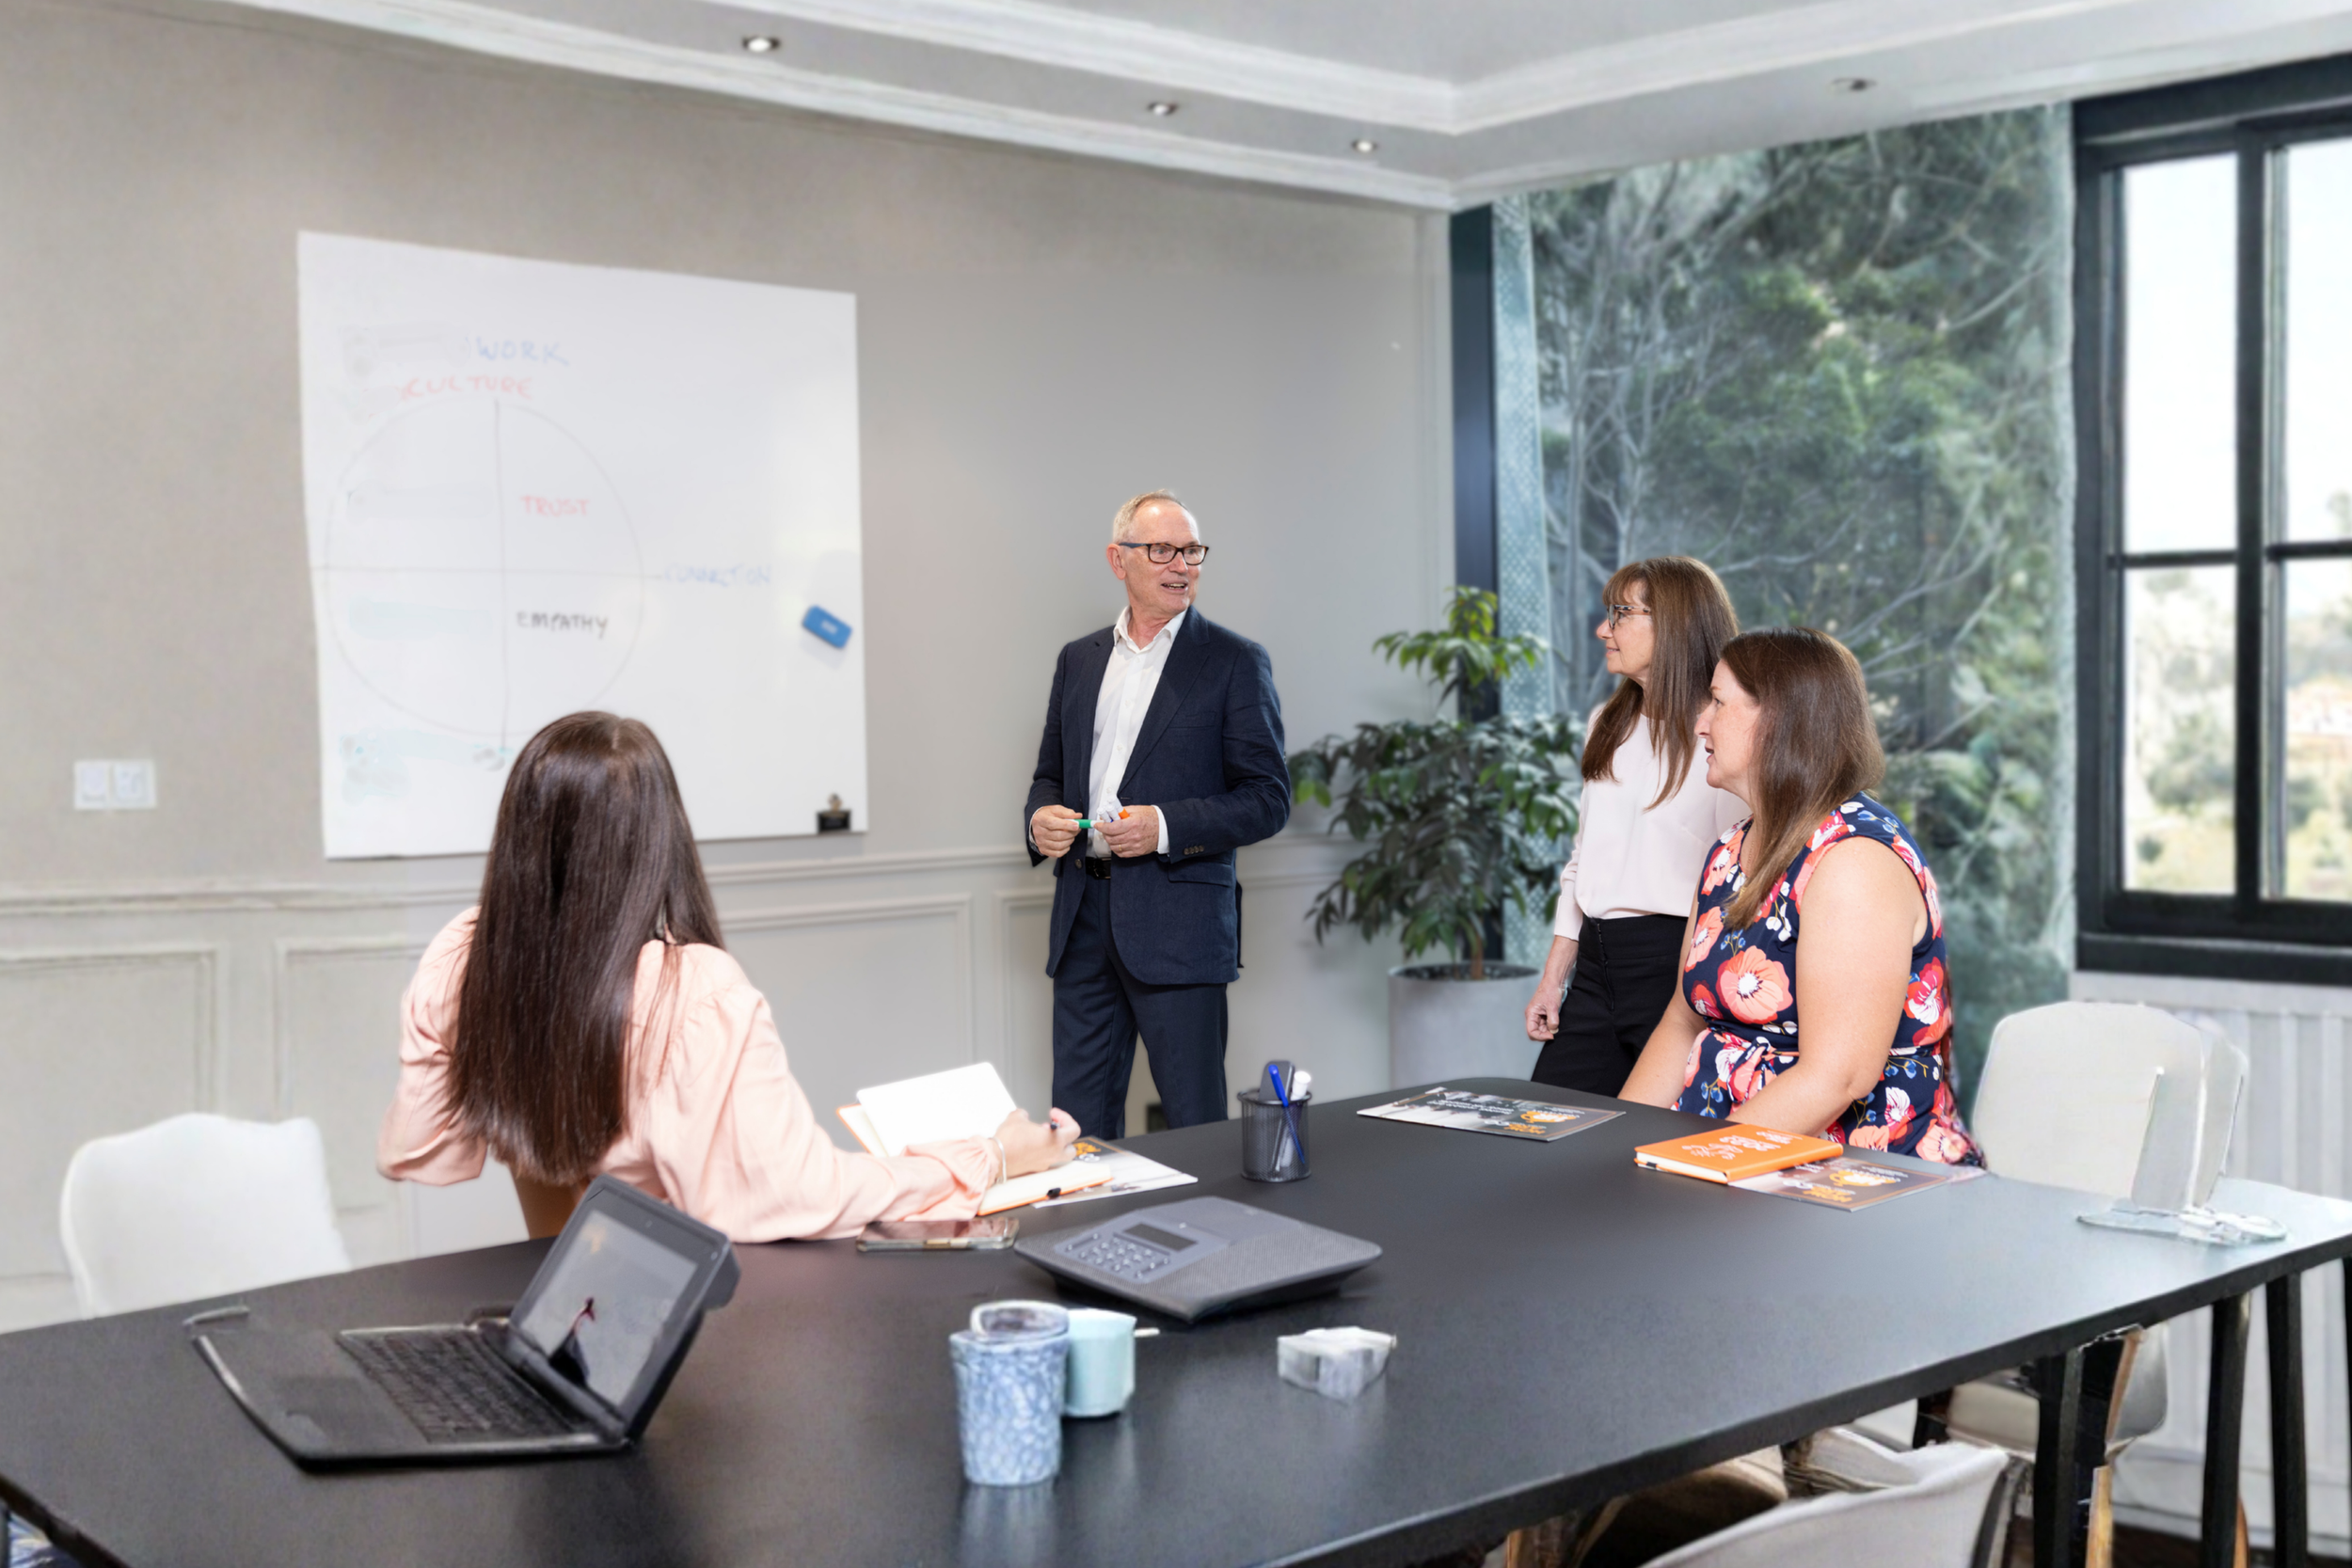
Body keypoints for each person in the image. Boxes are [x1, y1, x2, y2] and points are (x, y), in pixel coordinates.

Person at [380, 712, 1079, 1242]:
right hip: (680, 1328)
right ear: (661, 835)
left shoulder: (465, 953)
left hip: (557, 1301)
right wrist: (990, 1154)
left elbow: (422, 1146)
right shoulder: (694, 990)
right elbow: (802, 1197)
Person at [1617, 627, 1979, 1162]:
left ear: (1778, 722)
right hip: (1727, 1156)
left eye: (1717, 702)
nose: (1700, 723)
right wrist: (1615, 1149)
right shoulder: (1727, 853)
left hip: (1855, 1174)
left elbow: (1837, 1077)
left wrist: (1688, 1165)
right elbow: (1682, 1020)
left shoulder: (1854, 860)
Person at [1025, 489, 1290, 1138]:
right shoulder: (1078, 659)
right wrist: (1039, 821)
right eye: (1163, 550)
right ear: (1120, 560)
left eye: (1192, 551)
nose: (1182, 565)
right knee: (1077, 1131)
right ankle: (1088, 1243)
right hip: (1081, 921)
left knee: (1197, 1129)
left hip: (1180, 929)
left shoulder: (1234, 661)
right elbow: (1049, 777)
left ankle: (1215, 1240)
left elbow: (1268, 797)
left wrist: (1163, 827)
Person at [1525, 558, 1744, 1096]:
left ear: (1673, 624)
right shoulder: (1609, 720)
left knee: (1659, 1148)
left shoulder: (1720, 733)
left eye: (1621, 613)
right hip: (1597, 968)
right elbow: (1584, 860)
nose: (1604, 629)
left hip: (1675, 964)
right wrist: (1554, 981)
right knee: (1552, 1129)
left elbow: (1735, 876)